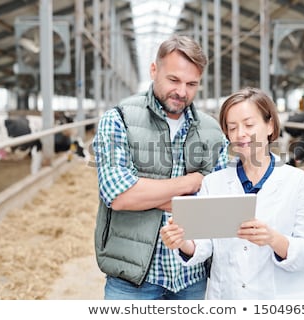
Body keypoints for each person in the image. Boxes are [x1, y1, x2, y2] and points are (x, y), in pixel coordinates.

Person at [92, 34, 228, 300]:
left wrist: (146, 195)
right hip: (132, 279)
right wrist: (191, 183)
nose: (182, 91)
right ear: (154, 70)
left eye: (192, 84)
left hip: (193, 277)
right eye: (174, 80)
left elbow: (217, 207)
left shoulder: (213, 132)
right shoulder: (118, 119)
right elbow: (118, 196)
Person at [160, 87, 304, 299]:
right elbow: (204, 244)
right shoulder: (213, 183)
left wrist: (273, 239)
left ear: (270, 125)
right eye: (232, 127)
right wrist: (182, 242)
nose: (240, 134)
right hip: (227, 297)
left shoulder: (299, 182)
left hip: (279, 299)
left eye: (249, 124)